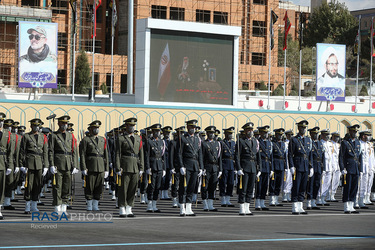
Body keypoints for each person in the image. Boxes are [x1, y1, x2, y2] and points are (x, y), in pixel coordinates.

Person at [48, 115, 79, 215]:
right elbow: (51, 151)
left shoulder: (70, 136)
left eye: (66, 123)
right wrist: (51, 164)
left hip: (68, 164)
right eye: (63, 123)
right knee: (57, 186)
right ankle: (57, 206)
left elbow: (74, 151)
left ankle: (64, 205)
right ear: (58, 123)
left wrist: (75, 165)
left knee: (67, 186)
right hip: (58, 164)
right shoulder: (54, 135)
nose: (64, 125)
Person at [115, 118, 144, 217]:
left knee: (133, 188)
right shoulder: (121, 138)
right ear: (126, 126)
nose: (132, 127)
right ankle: (122, 207)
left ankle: (129, 207)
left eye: (133, 126)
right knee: (123, 187)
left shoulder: (138, 138)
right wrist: (118, 167)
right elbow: (118, 153)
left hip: (135, 166)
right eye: (130, 126)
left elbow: (141, 154)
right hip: (125, 165)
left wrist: (142, 168)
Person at [18, 119, 48, 213]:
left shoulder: (43, 137)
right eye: (34, 126)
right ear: (31, 126)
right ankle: (27, 205)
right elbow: (22, 151)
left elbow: (46, 152)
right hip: (29, 163)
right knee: (29, 185)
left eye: (38, 126)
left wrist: (46, 165)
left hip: (39, 163)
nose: (36, 127)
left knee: (37, 185)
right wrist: (21, 165)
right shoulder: (26, 136)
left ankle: (34, 205)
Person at [79, 120, 109, 211]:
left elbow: (106, 155)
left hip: (100, 166)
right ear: (90, 129)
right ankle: (89, 204)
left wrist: (106, 168)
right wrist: (83, 167)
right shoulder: (86, 140)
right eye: (95, 128)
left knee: (99, 186)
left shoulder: (102, 139)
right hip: (90, 166)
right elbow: (83, 155)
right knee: (89, 186)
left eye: (97, 128)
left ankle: (96, 204)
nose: (96, 129)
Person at [177, 119, 204, 216]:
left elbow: (200, 154)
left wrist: (201, 167)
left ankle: (189, 208)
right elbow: (179, 154)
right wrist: (181, 166)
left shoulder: (197, 139)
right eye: (191, 127)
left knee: (191, 188)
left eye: (194, 127)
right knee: (183, 187)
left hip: (195, 165)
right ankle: (182, 207)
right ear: (187, 127)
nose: (193, 129)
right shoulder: (183, 138)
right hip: (186, 164)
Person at [235, 122, 261, 216]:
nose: (250, 132)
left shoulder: (255, 141)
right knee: (243, 188)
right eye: (248, 130)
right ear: (245, 131)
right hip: (244, 167)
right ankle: (242, 208)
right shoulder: (241, 141)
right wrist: (238, 168)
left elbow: (258, 156)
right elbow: (237, 156)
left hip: (253, 167)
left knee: (250, 188)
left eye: (251, 130)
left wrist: (259, 168)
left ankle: (247, 207)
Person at [288, 120, 313, 215]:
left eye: (305, 128)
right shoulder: (294, 140)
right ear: (298, 128)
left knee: (303, 186)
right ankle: (295, 206)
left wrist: (311, 167)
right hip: (297, 165)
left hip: (305, 165)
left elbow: (310, 154)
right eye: (302, 128)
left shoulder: (308, 140)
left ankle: (300, 206)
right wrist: (291, 166)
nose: (303, 129)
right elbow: (290, 154)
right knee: (296, 186)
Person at [339, 124, 362, 214]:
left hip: (356, 167)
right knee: (347, 187)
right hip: (348, 167)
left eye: (356, 132)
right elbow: (341, 156)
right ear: (350, 132)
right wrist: (342, 168)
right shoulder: (345, 142)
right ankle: (346, 206)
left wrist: (361, 169)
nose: (355, 133)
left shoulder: (358, 142)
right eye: (353, 131)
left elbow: (360, 157)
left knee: (354, 187)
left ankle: (352, 205)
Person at [145, 123, 166, 213]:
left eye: (158, 131)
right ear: (152, 132)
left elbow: (163, 156)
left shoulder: (162, 142)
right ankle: (149, 205)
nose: (157, 133)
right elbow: (146, 155)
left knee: (158, 186)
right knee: (151, 186)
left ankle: (154, 204)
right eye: (155, 131)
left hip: (159, 166)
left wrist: (164, 168)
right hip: (152, 166)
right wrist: (147, 167)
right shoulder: (149, 141)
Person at [201, 126, 222, 212]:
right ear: (207, 134)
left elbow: (219, 157)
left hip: (214, 167)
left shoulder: (217, 144)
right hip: (207, 167)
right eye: (210, 133)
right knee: (205, 186)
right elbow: (201, 157)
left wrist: (220, 169)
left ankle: (211, 205)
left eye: (213, 133)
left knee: (213, 186)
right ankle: (205, 204)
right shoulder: (204, 143)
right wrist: (202, 168)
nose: (212, 135)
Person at [306, 127, 325, 210]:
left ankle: (314, 200)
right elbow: (308, 155)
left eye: (317, 134)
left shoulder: (320, 143)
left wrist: (323, 167)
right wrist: (310, 166)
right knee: (310, 184)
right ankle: (309, 201)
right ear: (311, 134)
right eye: (314, 134)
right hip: (312, 164)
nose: (316, 135)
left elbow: (323, 156)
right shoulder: (309, 143)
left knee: (317, 184)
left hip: (318, 166)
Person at [0, 112, 14, 220]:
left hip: (2, 163)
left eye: (1, 120)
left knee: (1, 187)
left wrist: (10, 165)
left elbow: (10, 152)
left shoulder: (7, 133)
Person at [255, 125, 273, 211]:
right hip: (260, 165)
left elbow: (271, 156)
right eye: (264, 132)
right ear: (260, 133)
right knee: (259, 185)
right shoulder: (257, 142)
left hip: (267, 166)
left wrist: (272, 168)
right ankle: (257, 203)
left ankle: (262, 203)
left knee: (265, 185)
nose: (266, 134)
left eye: (267, 133)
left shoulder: (269, 143)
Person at [219, 127, 236, 207]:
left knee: (231, 182)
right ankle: (223, 199)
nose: (231, 135)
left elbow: (235, 155)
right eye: (229, 134)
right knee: (223, 182)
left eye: (231, 134)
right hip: (224, 163)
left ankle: (228, 199)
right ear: (225, 134)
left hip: (231, 165)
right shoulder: (221, 143)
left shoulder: (233, 143)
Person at [270, 128, 286, 206]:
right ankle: (272, 199)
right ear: (275, 135)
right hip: (275, 164)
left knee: (279, 183)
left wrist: (285, 167)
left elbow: (285, 156)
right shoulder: (272, 143)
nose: (280, 136)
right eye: (279, 134)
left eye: (281, 135)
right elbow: (271, 156)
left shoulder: (283, 144)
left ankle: (276, 199)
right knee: (273, 182)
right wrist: (272, 168)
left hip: (281, 165)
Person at [160, 126, 172, 200]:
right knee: (162, 179)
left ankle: (166, 193)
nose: (167, 134)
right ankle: (161, 193)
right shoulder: (161, 141)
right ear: (163, 133)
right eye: (166, 133)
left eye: (168, 133)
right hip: (163, 162)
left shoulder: (171, 142)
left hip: (169, 162)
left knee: (168, 178)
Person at [281, 129, 294, 202]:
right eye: (289, 135)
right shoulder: (285, 144)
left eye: (292, 135)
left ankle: (288, 193)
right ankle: (284, 194)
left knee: (291, 180)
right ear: (286, 136)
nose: (291, 136)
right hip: (286, 164)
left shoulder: (293, 143)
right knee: (285, 180)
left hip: (291, 164)